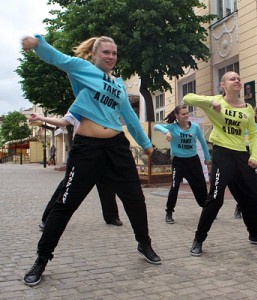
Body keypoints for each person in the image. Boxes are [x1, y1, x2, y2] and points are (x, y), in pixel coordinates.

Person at [21, 34, 161, 287]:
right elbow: (59, 59)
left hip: (117, 148)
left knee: (135, 199)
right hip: (87, 149)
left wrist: (147, 145)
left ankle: (144, 243)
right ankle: (41, 259)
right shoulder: (82, 69)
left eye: (114, 53)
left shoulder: (118, 85)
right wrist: (38, 45)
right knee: (66, 203)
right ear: (94, 54)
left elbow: (129, 117)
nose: (110, 57)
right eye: (105, 52)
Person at [183, 71, 257, 256]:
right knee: (216, 198)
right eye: (232, 79)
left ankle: (254, 234)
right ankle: (198, 239)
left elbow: (253, 134)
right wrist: (210, 102)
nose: (237, 80)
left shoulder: (248, 108)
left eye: (239, 78)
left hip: (241, 154)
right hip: (222, 153)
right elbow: (187, 98)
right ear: (223, 85)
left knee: (253, 196)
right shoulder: (216, 101)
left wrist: (254, 156)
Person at [29, 112, 123, 229]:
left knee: (106, 184)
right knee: (67, 185)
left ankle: (111, 216)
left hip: (104, 149)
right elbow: (63, 121)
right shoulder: (80, 103)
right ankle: (47, 218)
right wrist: (40, 118)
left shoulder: (103, 104)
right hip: (84, 150)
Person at [154, 104, 211, 224]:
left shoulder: (194, 127)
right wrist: (167, 132)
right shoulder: (172, 127)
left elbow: (202, 142)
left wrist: (207, 157)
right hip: (179, 162)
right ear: (177, 116)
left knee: (200, 186)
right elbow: (156, 126)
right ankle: (169, 212)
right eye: (183, 114)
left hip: (193, 161)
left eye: (187, 113)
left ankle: (207, 210)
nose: (186, 116)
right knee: (174, 187)